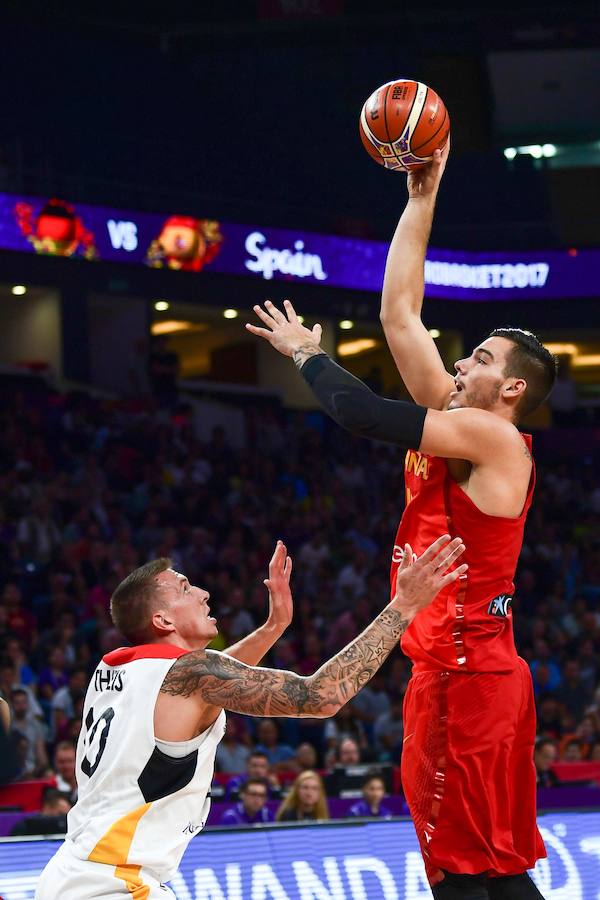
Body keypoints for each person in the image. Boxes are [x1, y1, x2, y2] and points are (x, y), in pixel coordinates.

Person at [246, 144, 556, 898]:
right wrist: (423, 197)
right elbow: (398, 313)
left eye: (477, 358)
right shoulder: (456, 418)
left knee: (460, 875)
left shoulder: (493, 438)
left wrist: (308, 354)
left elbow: (358, 412)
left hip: (464, 678)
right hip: (475, 675)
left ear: (510, 386)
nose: (459, 365)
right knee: (500, 869)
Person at [35, 534, 465, 899]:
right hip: (113, 884)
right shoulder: (191, 675)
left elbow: (209, 681)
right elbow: (323, 696)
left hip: (74, 873)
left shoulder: (117, 667)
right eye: (185, 588)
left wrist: (273, 627)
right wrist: (404, 607)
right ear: (162, 618)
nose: (203, 593)